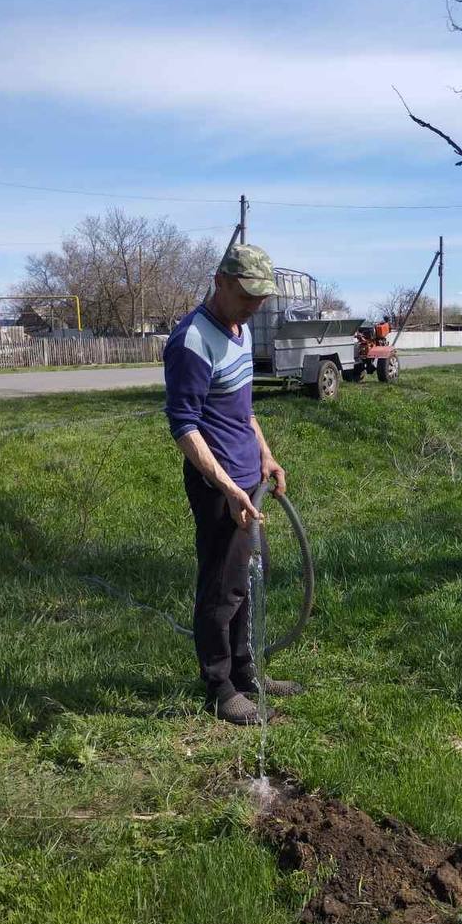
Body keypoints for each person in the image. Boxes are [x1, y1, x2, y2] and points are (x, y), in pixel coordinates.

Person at [164, 243, 303, 725]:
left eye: (262, 297)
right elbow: (184, 426)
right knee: (221, 589)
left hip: (249, 481)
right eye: (247, 295)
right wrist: (226, 486)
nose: (255, 305)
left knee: (245, 581)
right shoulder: (192, 341)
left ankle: (248, 672)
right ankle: (220, 687)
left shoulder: (239, 331)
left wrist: (266, 456)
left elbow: (243, 411)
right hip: (218, 485)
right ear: (220, 282)